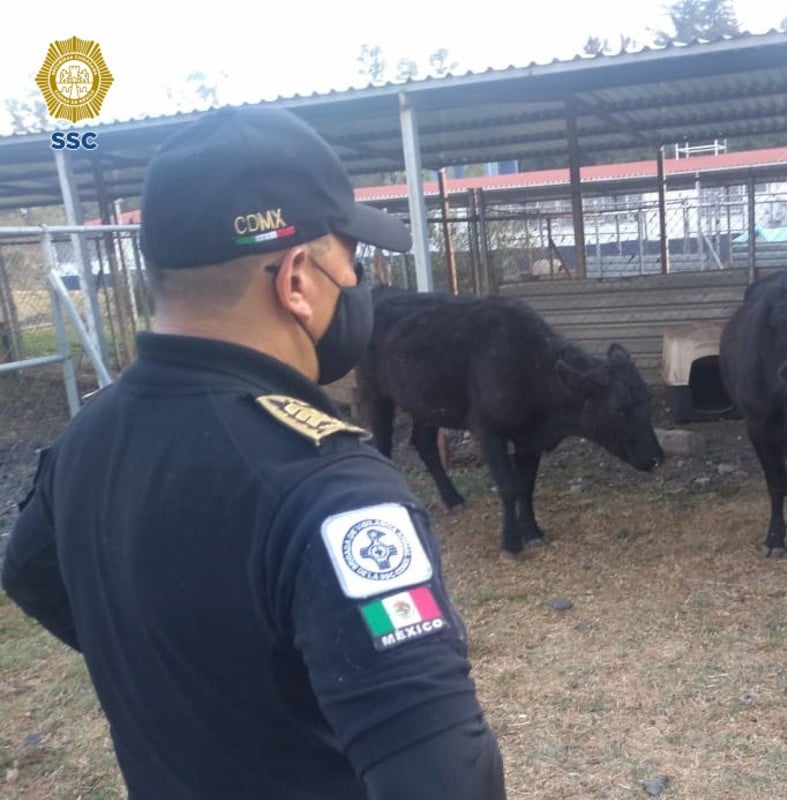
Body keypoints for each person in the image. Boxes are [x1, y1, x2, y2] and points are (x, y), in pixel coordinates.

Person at [1, 106, 506, 800]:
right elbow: (448, 781)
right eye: (351, 262)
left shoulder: (88, 434)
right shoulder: (335, 490)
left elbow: (29, 574)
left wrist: (178, 683)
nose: (359, 286)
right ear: (297, 278)